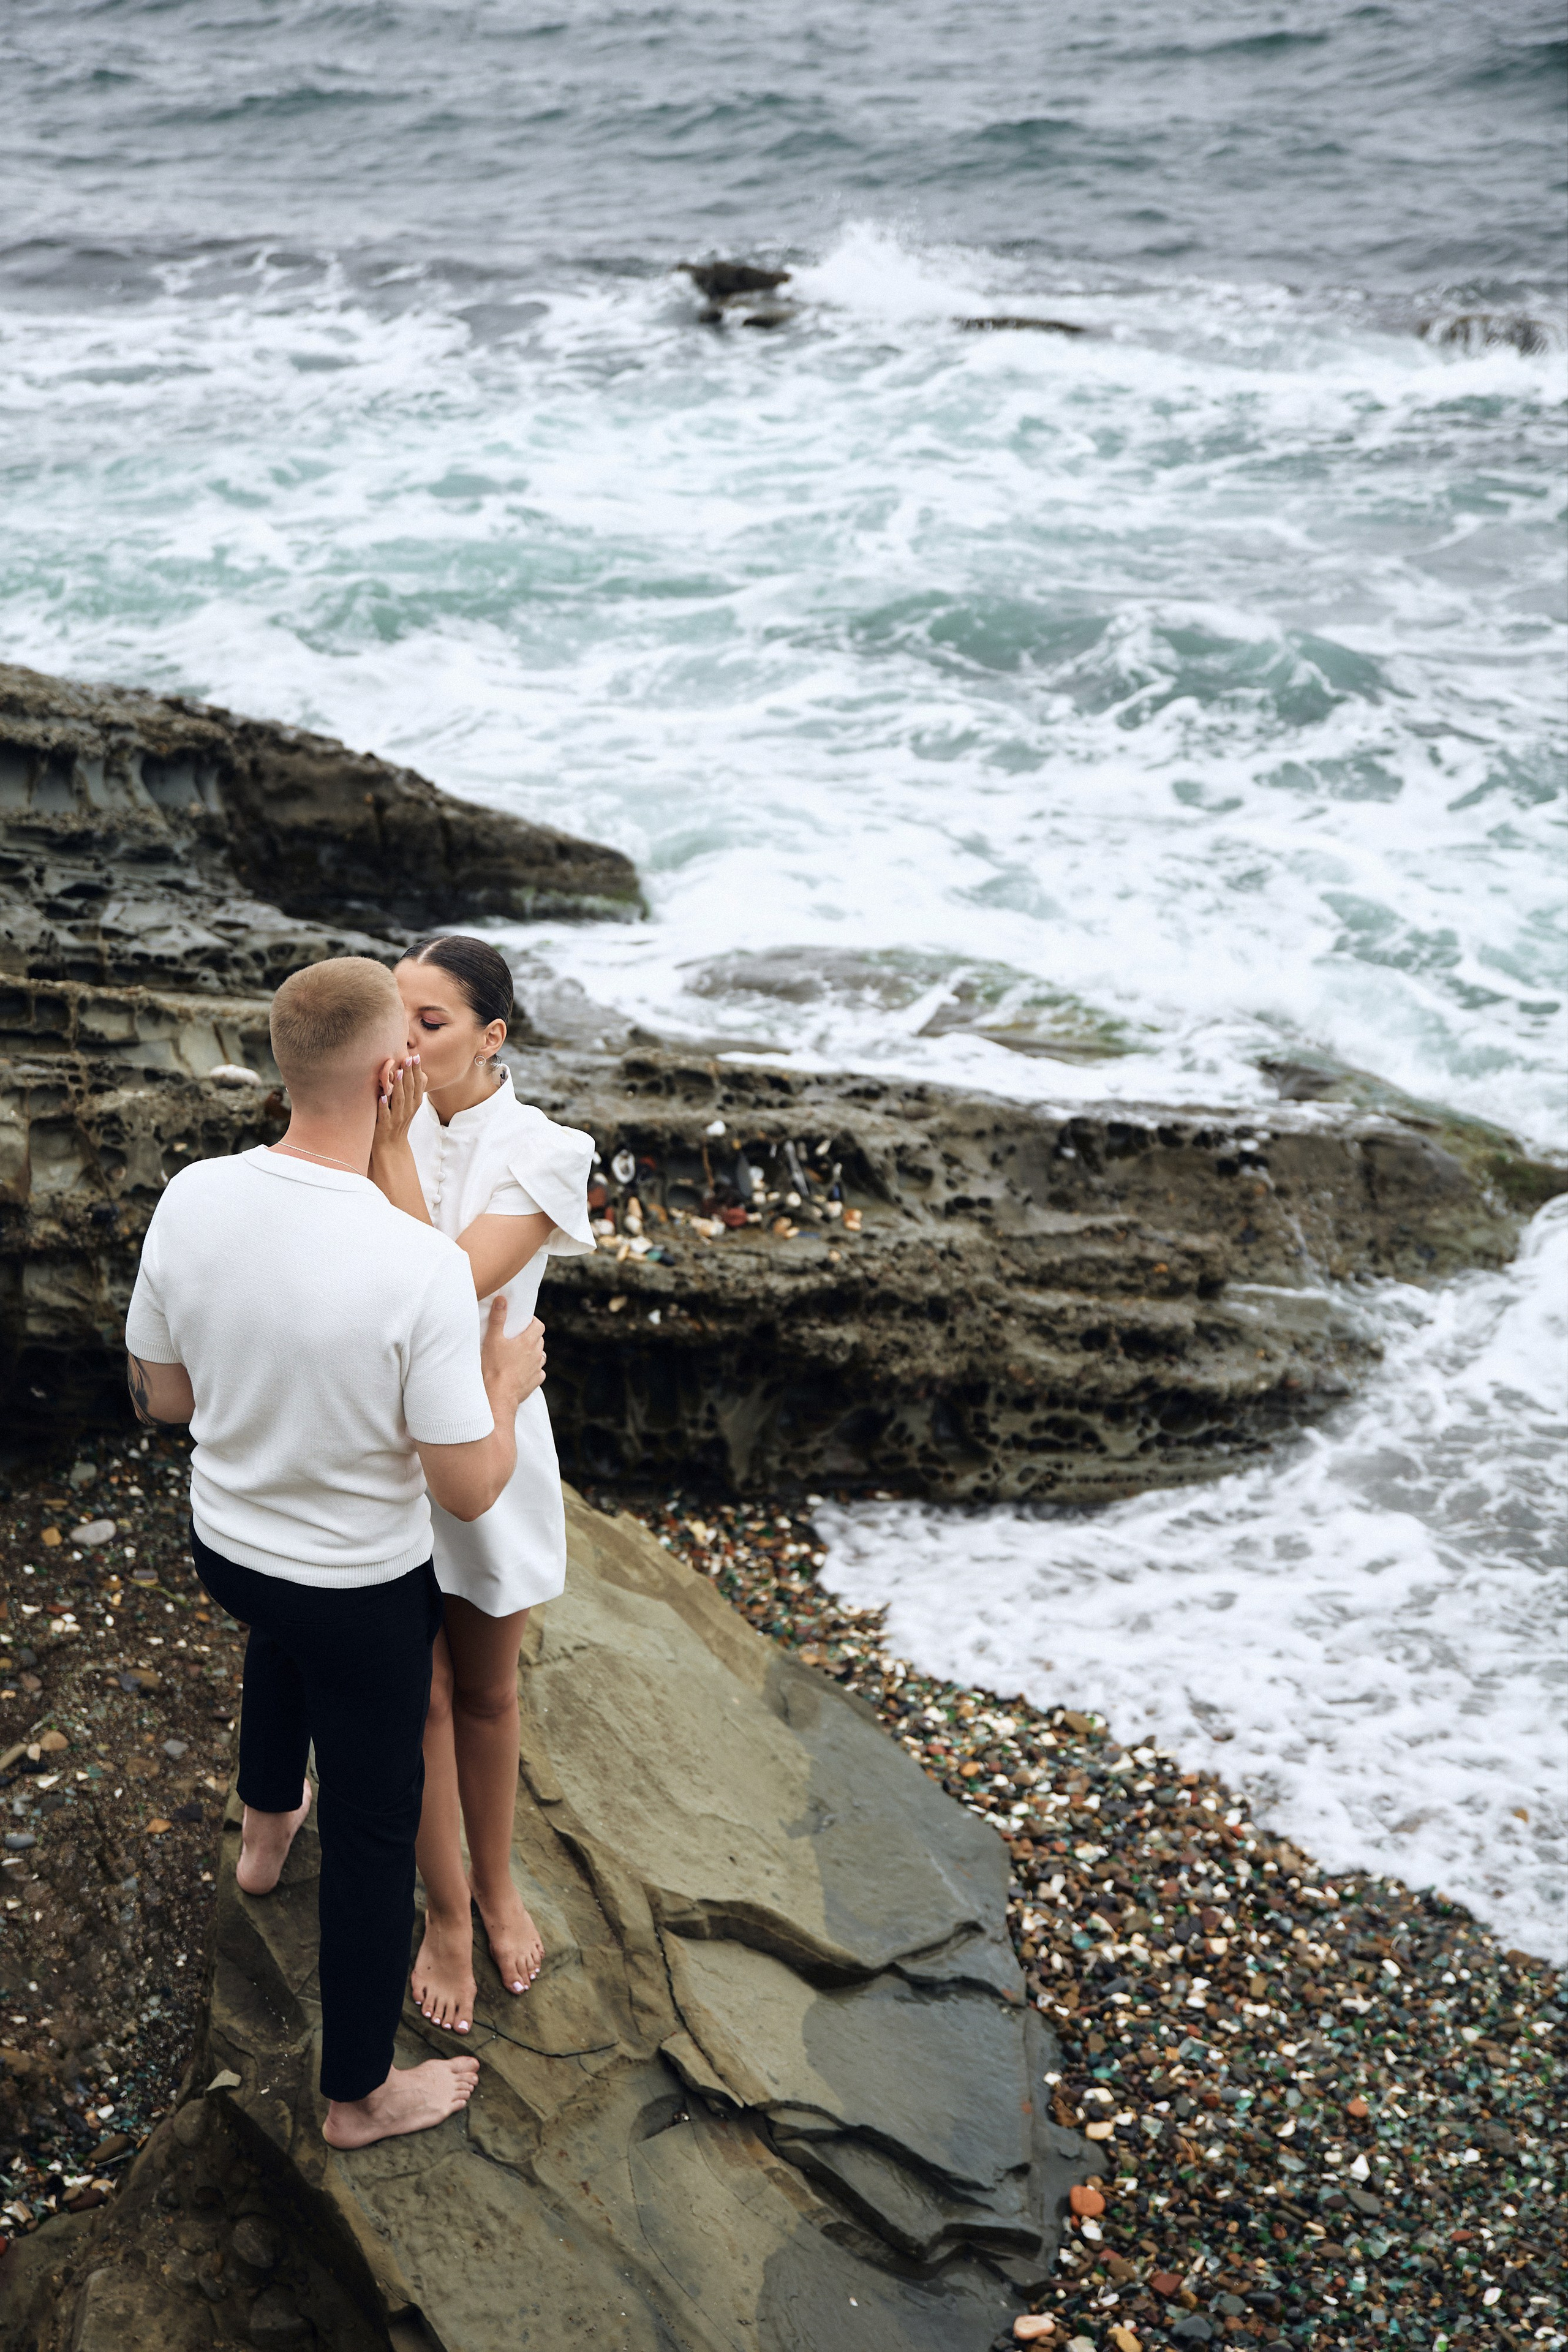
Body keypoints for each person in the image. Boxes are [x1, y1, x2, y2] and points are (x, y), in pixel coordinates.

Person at [123, 956, 547, 2149]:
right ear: (392, 1073)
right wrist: (505, 1386)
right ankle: (358, 2094)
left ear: (282, 1061)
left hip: (227, 1547)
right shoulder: (418, 1265)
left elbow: (163, 1399)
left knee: (279, 1634)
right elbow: (467, 1490)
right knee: (371, 1828)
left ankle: (264, 1835)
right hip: (358, 1592)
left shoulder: (193, 1195)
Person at [368, 935, 594, 2036]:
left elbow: (442, 1289)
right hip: (379, 1440)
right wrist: (379, 1132)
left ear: (492, 1035)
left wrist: (386, 1147)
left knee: (490, 1692)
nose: (404, 1043)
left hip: (489, 1427)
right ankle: (449, 1911)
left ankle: (500, 1884)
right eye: (395, 1016)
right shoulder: (368, 1112)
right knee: (419, 1696)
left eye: (432, 1022)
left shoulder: (549, 1150)